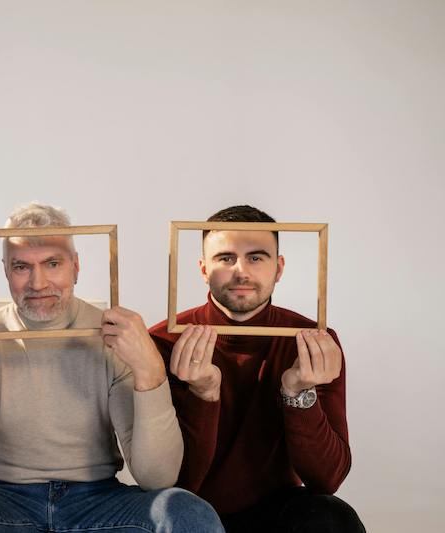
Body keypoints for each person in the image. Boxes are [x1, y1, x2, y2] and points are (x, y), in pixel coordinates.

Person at [0, 203, 223, 533]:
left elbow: (157, 477)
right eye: (21, 267)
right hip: (3, 501)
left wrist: (150, 373)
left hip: (100, 501)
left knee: (187, 511)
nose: (38, 282)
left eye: (53, 263)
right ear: (5, 270)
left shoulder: (115, 338)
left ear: (76, 267)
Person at [149, 205, 365, 532]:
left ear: (278, 268)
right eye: (225, 258)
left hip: (277, 511)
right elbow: (178, 481)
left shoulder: (312, 340)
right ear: (203, 269)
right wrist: (203, 394)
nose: (241, 271)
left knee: (332, 518)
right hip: (188, 512)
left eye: (256, 257)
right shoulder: (163, 340)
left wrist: (298, 393)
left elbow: (328, 479)